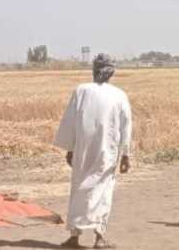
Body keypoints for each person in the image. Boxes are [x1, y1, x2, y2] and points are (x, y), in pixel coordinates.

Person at [54, 53, 132, 249]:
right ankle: (99, 237)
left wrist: (70, 149)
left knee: (78, 187)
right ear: (111, 72)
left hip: (83, 150)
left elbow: (70, 122)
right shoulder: (119, 95)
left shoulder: (81, 91)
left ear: (94, 69)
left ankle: (74, 236)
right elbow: (126, 127)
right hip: (108, 151)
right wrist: (125, 154)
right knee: (103, 190)